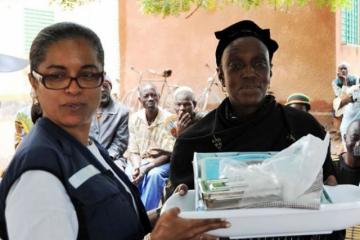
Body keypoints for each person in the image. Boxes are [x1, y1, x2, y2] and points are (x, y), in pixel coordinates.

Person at [0, 22, 230, 240]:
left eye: (87, 74)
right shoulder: (38, 177)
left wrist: (167, 214)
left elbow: (113, 225)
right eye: (56, 76)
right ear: (34, 82)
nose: (73, 88)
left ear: (102, 81)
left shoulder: (87, 146)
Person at [170, 19, 337, 205]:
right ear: (221, 76)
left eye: (259, 64)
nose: (249, 73)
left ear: (270, 72)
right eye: (236, 65)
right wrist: (183, 204)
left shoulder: (305, 129)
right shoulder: (193, 143)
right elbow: (181, 214)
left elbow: (330, 196)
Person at [126, 83, 175, 211]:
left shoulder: (170, 120)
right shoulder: (134, 118)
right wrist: (137, 167)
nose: (150, 98)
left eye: (153, 95)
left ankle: (146, 217)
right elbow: (133, 150)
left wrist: (146, 168)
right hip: (139, 161)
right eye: (146, 96)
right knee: (129, 175)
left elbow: (169, 153)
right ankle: (131, 213)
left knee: (154, 175)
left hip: (161, 163)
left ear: (158, 97)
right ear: (140, 100)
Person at [89, 74, 129, 170]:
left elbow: (120, 142)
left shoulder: (122, 112)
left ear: (110, 89)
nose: (102, 90)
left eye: (105, 86)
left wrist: (107, 157)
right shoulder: (84, 109)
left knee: (117, 174)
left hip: (112, 158)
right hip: (87, 156)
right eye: (99, 87)